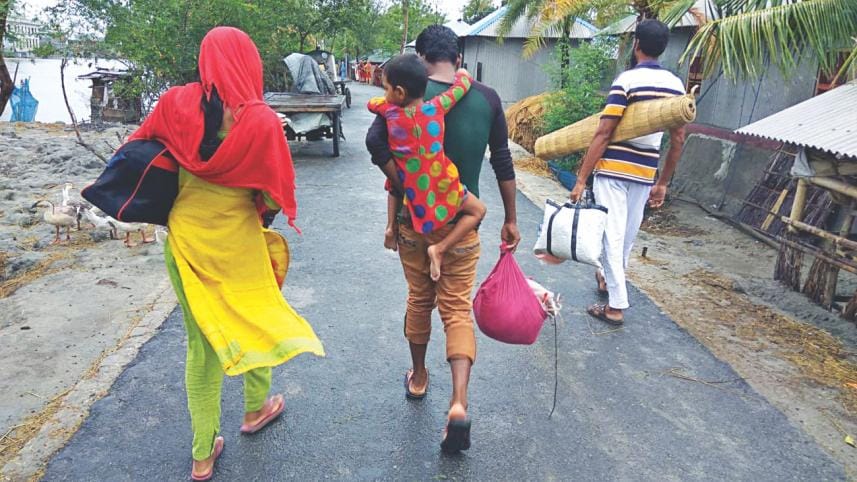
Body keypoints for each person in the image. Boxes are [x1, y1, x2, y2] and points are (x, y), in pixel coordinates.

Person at [128, 27, 324, 480]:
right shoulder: (260, 121)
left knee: (202, 347)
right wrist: (260, 216)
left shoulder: (175, 103)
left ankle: (202, 454)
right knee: (256, 314)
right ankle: (256, 409)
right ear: (249, 62)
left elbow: (139, 149)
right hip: (239, 242)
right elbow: (275, 194)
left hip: (186, 244)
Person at [365, 25, 519, 454]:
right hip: (461, 226)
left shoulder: (402, 98)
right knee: (456, 310)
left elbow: (375, 145)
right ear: (457, 56)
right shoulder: (485, 97)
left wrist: (406, 189)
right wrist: (510, 218)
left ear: (420, 56)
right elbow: (502, 159)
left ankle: (417, 379)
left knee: (419, 299)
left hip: (416, 225)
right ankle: (459, 403)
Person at [569, 19, 687, 326]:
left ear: (636, 45)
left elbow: (604, 133)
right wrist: (662, 183)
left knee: (611, 235)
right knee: (625, 237)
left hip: (614, 169)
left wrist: (582, 178)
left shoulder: (626, 82)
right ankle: (608, 281)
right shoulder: (677, 86)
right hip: (645, 173)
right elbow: (678, 139)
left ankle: (616, 306)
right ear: (663, 49)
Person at [368, 54, 487, 280]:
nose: (385, 94)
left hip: (412, 190)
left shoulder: (390, 112)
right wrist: (462, 73)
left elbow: (371, 104)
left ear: (400, 93)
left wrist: (380, 102)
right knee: (478, 210)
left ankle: (391, 227)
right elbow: (461, 87)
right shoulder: (437, 107)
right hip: (444, 185)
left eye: (386, 88)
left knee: (392, 180)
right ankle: (440, 249)